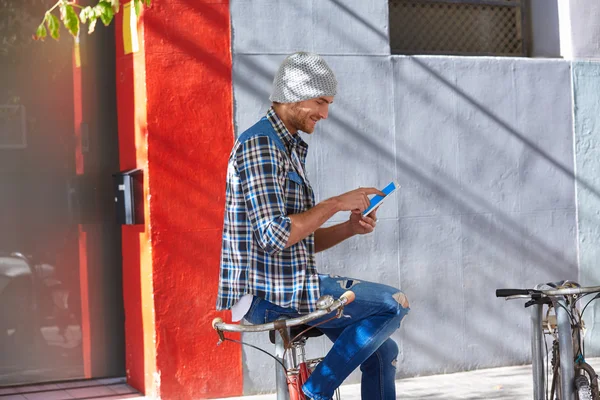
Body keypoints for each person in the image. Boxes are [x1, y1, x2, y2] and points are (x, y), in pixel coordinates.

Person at [216, 52, 410, 400]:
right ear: (292, 93)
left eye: (329, 103)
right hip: (269, 295)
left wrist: (349, 227)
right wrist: (335, 203)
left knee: (383, 352)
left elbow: (299, 239)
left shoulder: (287, 148)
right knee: (392, 303)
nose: (325, 113)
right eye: (321, 101)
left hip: (289, 284)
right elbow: (275, 236)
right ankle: (314, 392)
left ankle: (315, 389)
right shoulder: (262, 144)